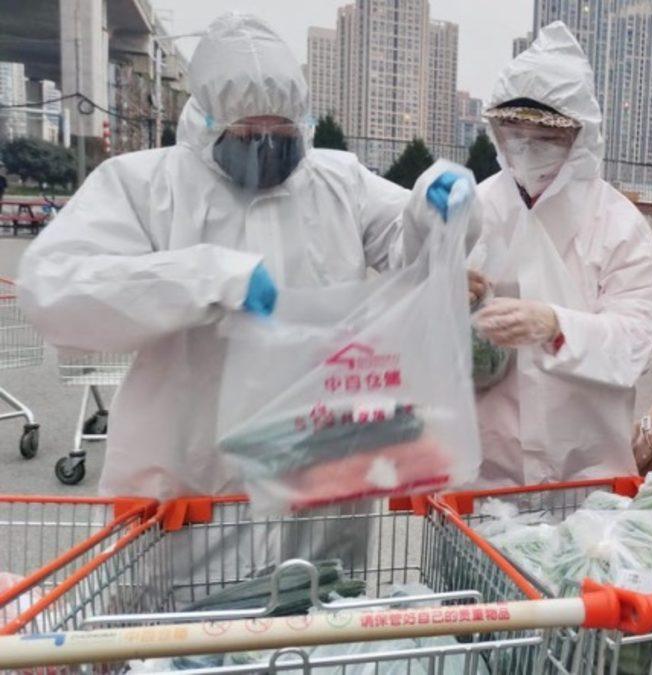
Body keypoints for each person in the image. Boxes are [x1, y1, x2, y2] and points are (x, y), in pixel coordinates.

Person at [17, 13, 427, 499]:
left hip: (316, 455)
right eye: (249, 136)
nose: (267, 149)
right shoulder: (145, 185)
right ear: (208, 122)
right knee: (188, 575)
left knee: (321, 577)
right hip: (190, 464)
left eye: (283, 134)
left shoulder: (340, 181)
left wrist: (434, 213)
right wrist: (205, 278)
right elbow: (55, 286)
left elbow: (409, 248)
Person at [467, 22, 652, 487]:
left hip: (586, 475)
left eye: (546, 135)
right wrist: (447, 294)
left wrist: (557, 326)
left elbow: (640, 338)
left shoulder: (617, 223)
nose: (527, 145)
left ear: (581, 136)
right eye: (514, 130)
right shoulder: (476, 209)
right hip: (484, 476)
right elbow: (419, 330)